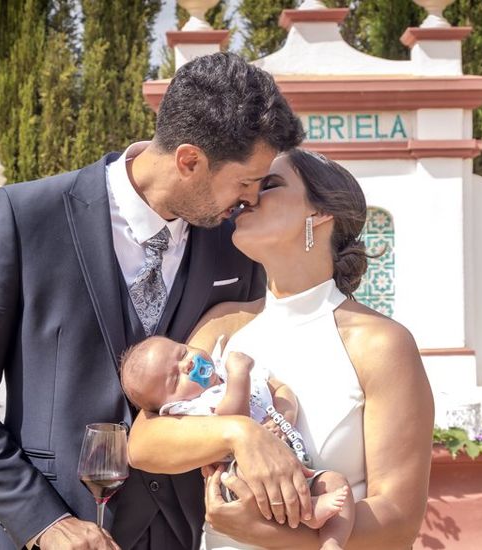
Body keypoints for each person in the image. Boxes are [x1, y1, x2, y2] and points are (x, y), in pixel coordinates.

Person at [0, 52, 306, 550]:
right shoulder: (26, 216)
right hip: (61, 533)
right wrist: (43, 522)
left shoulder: (233, 244)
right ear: (189, 160)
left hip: (193, 532)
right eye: (245, 182)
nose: (250, 200)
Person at [128, 149, 435, 549]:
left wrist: (269, 534)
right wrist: (240, 433)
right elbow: (143, 444)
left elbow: (398, 522)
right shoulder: (223, 323)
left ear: (321, 214)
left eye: (268, 185)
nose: (247, 197)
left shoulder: (380, 343)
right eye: (247, 187)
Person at [119, 336, 354, 549]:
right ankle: (309, 510)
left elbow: (281, 390)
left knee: (337, 482)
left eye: (182, 353)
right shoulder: (190, 406)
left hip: (292, 463)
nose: (187, 365)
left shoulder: (222, 367)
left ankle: (331, 543)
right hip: (241, 477)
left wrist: (282, 417)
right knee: (244, 474)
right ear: (166, 405)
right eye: (174, 379)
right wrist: (239, 375)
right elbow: (233, 418)